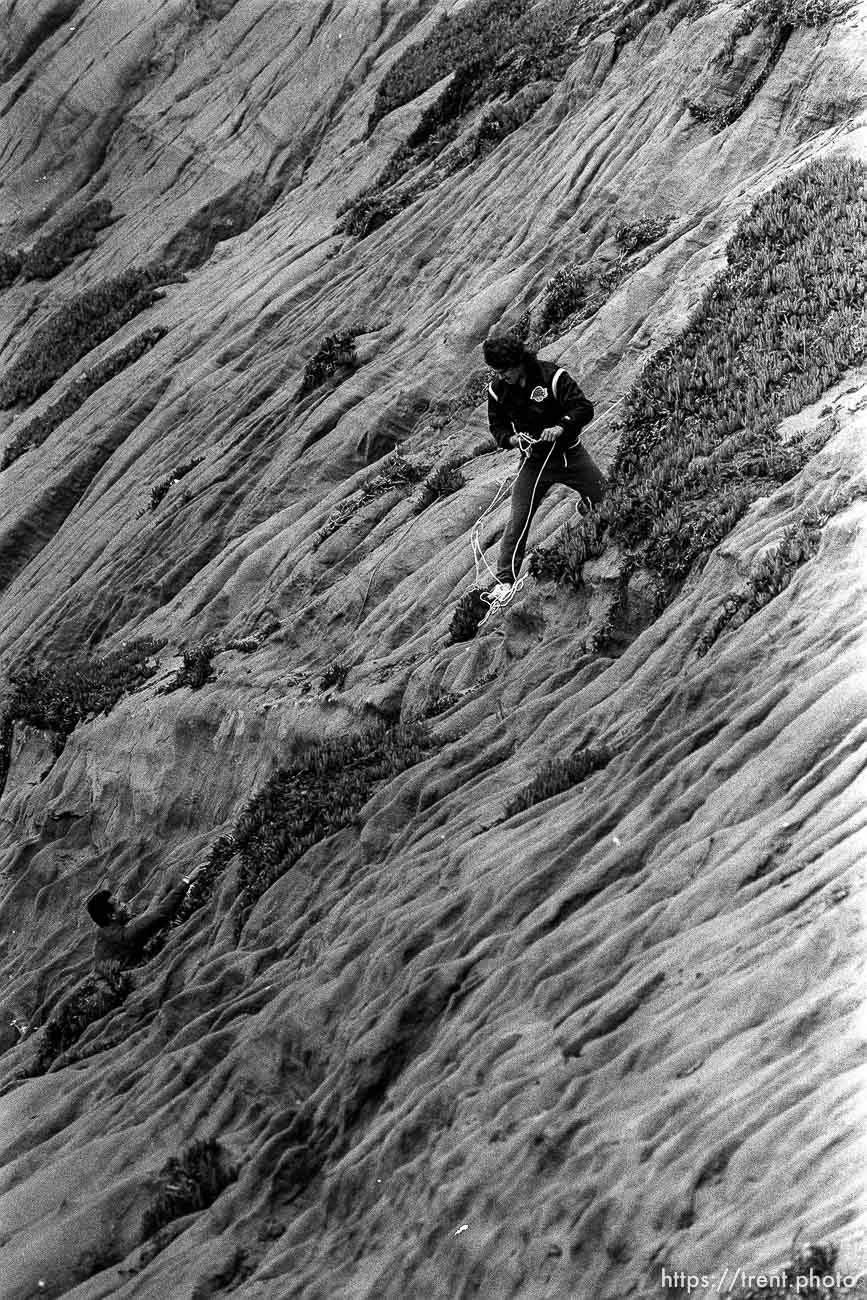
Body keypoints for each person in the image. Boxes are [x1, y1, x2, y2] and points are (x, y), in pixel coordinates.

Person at [483, 332, 606, 597]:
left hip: (569, 456)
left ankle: (587, 506)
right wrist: (511, 439)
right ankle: (505, 580)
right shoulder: (497, 390)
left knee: (606, 501)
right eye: (496, 371)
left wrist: (561, 427)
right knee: (518, 518)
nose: (500, 375)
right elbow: (497, 426)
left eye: (504, 370)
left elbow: (584, 408)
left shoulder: (553, 377)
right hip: (533, 462)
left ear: (518, 362)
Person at [86, 867, 200, 968]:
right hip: (135, 968)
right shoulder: (124, 936)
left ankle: (190, 888)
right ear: (112, 916)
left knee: (170, 878)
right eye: (119, 904)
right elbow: (159, 914)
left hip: (133, 949)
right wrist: (186, 881)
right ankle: (193, 888)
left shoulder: (107, 928)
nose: (124, 905)